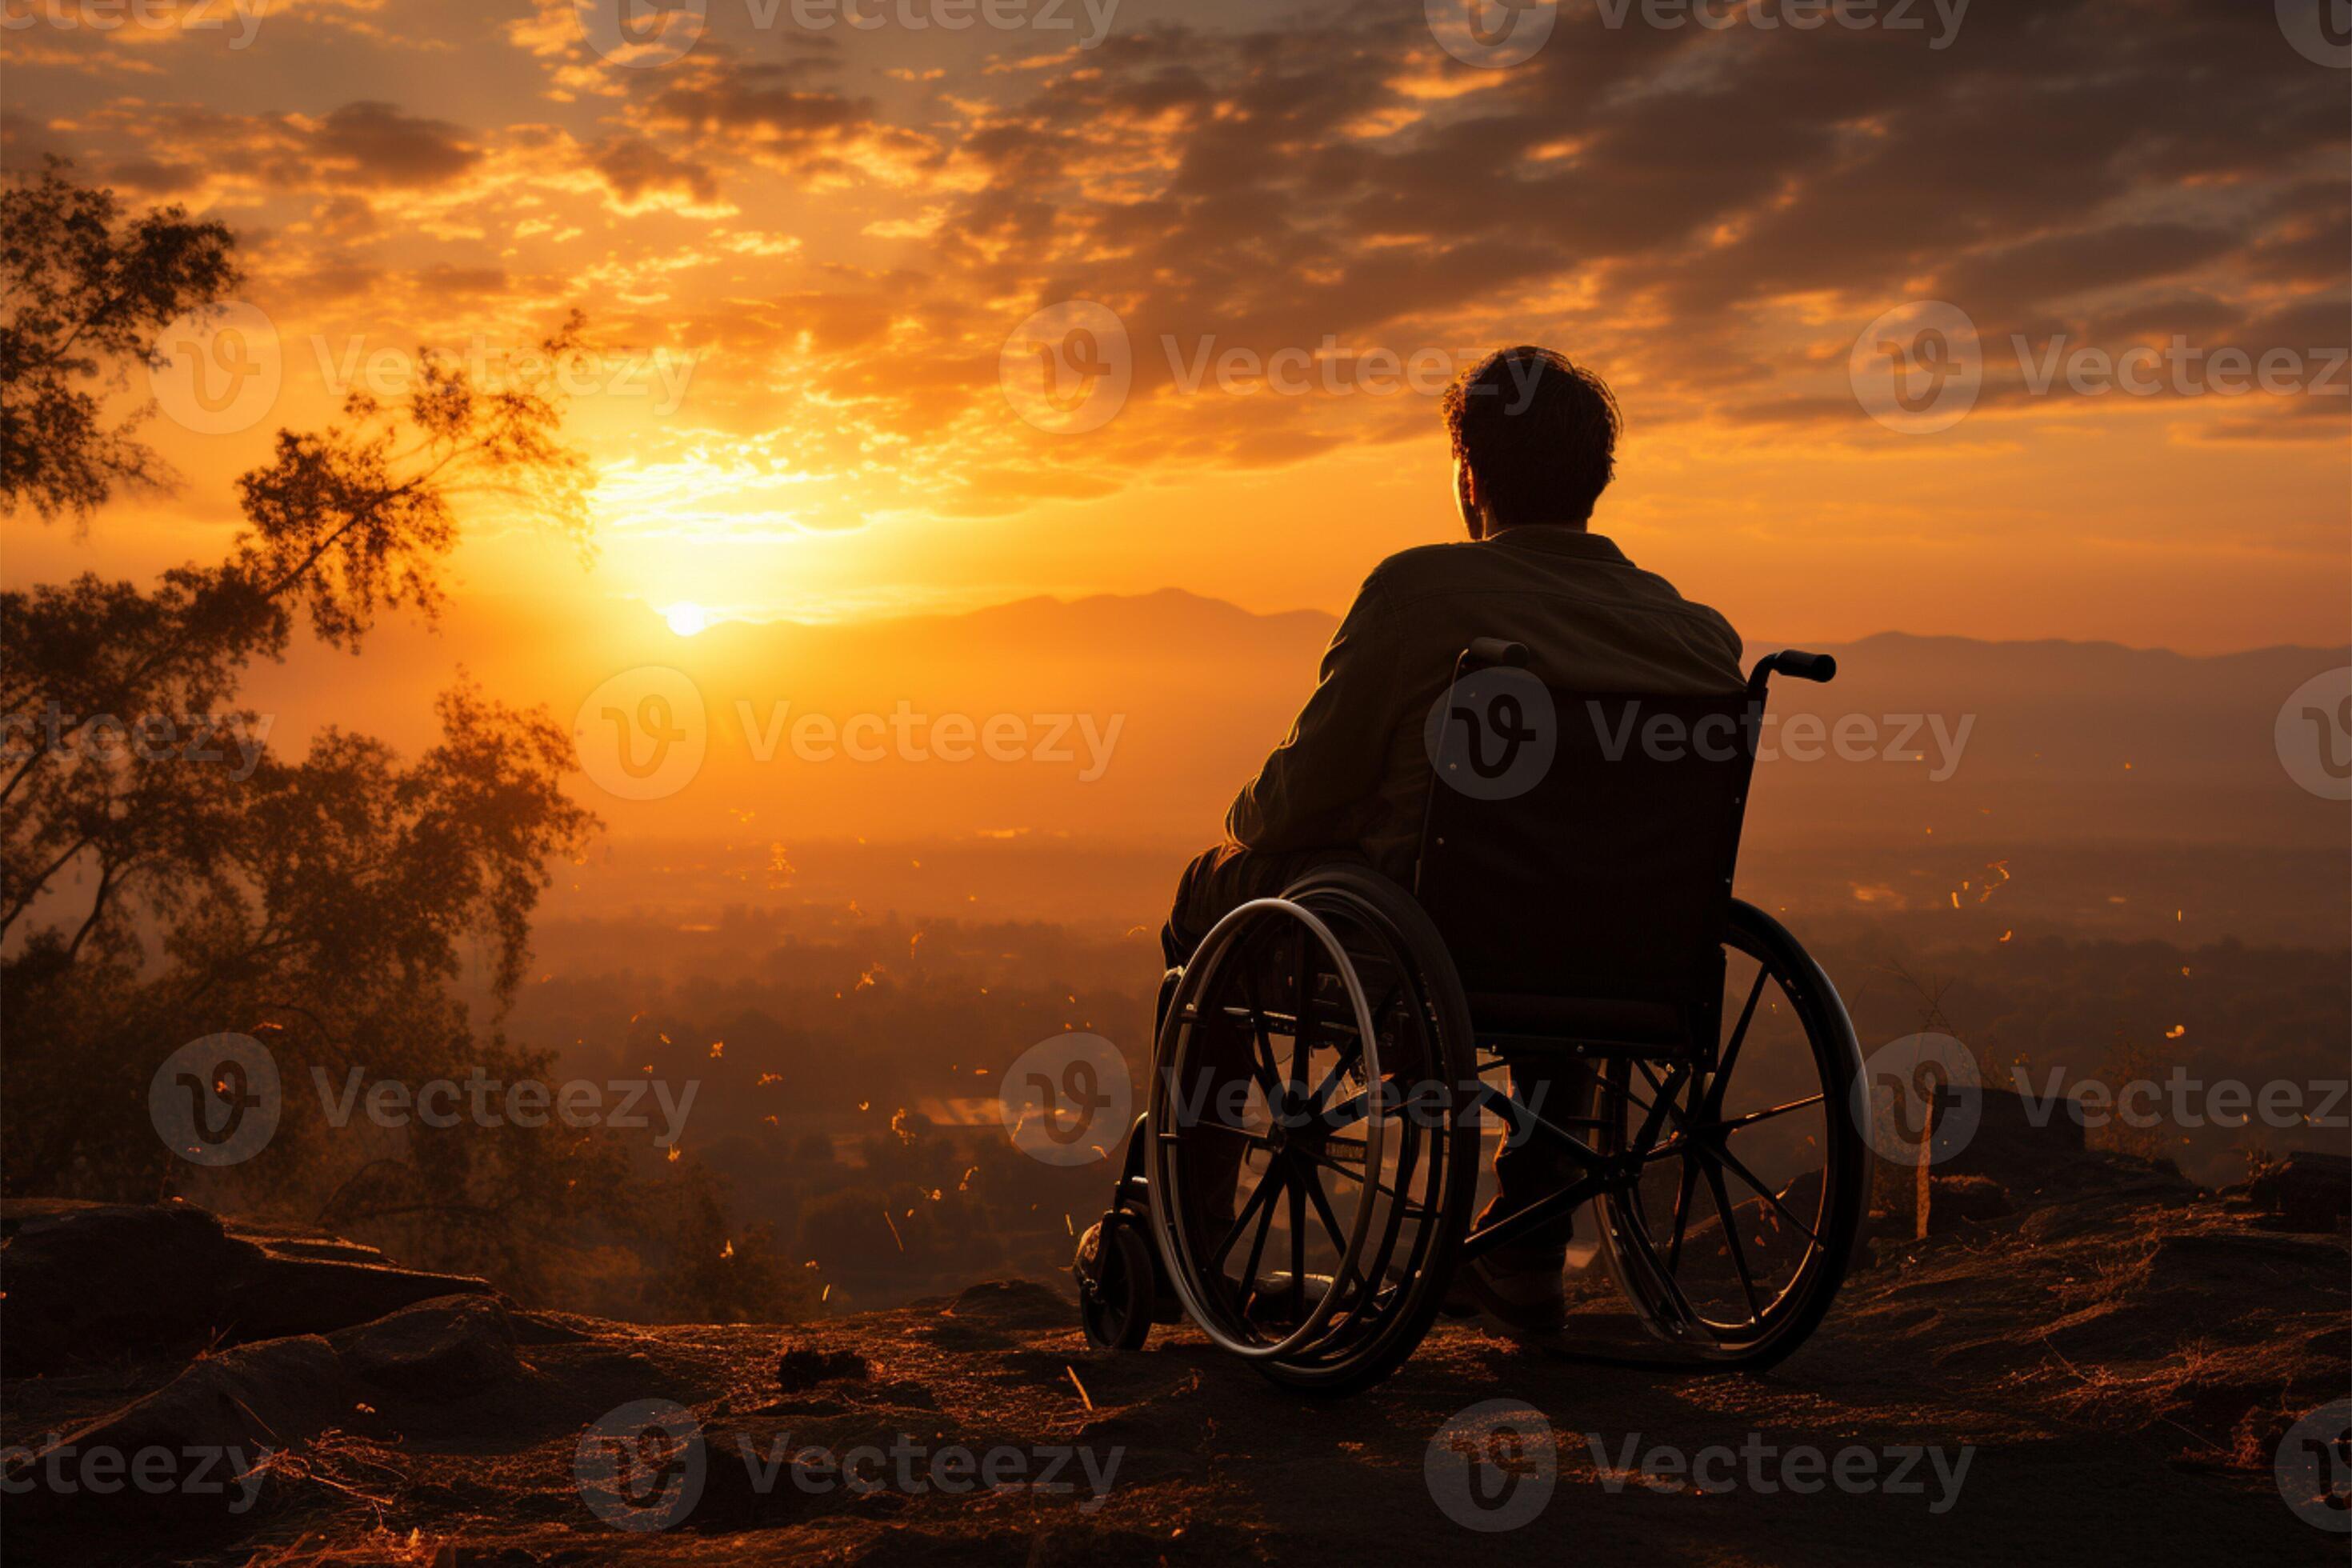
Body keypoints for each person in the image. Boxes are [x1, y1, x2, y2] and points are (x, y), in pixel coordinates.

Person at [1158, 344, 1745, 1335]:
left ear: (1470, 474)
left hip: (1422, 944)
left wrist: (1254, 819)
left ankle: (1192, 1246)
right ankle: (1525, 1244)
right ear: (1597, 478)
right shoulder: (1697, 635)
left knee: (1206, 900)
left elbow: (1296, 802)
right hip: (1626, 953)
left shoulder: (1419, 594)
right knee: (1577, 898)